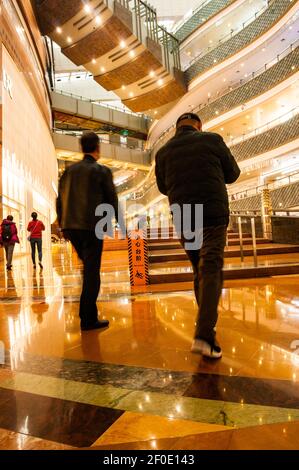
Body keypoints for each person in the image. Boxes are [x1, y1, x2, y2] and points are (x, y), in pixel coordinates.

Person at [155, 113, 240, 359]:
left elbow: (163, 187)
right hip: (212, 213)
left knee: (198, 270)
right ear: (198, 126)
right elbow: (232, 174)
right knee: (211, 267)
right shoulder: (212, 140)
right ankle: (203, 335)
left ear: (177, 128)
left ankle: (207, 333)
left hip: (184, 217)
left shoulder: (163, 153)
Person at [56, 132, 119, 331]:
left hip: (71, 227)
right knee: (92, 272)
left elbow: (59, 200)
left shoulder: (68, 171)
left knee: (88, 269)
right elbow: (112, 199)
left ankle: (87, 314)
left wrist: (62, 225)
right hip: (92, 226)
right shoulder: (101, 171)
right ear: (97, 147)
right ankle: (88, 318)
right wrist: (118, 222)